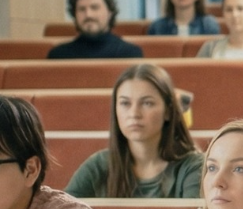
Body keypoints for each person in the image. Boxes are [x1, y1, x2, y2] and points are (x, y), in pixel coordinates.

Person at [66, 65, 204, 199]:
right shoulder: (99, 165)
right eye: (125, 103)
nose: (134, 113)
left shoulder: (192, 166)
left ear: (168, 111)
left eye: (147, 103)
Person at [48, 0, 142, 59]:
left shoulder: (130, 53)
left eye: (95, 8)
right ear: (74, 15)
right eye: (82, 9)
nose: (88, 15)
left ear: (110, 12)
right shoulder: (58, 55)